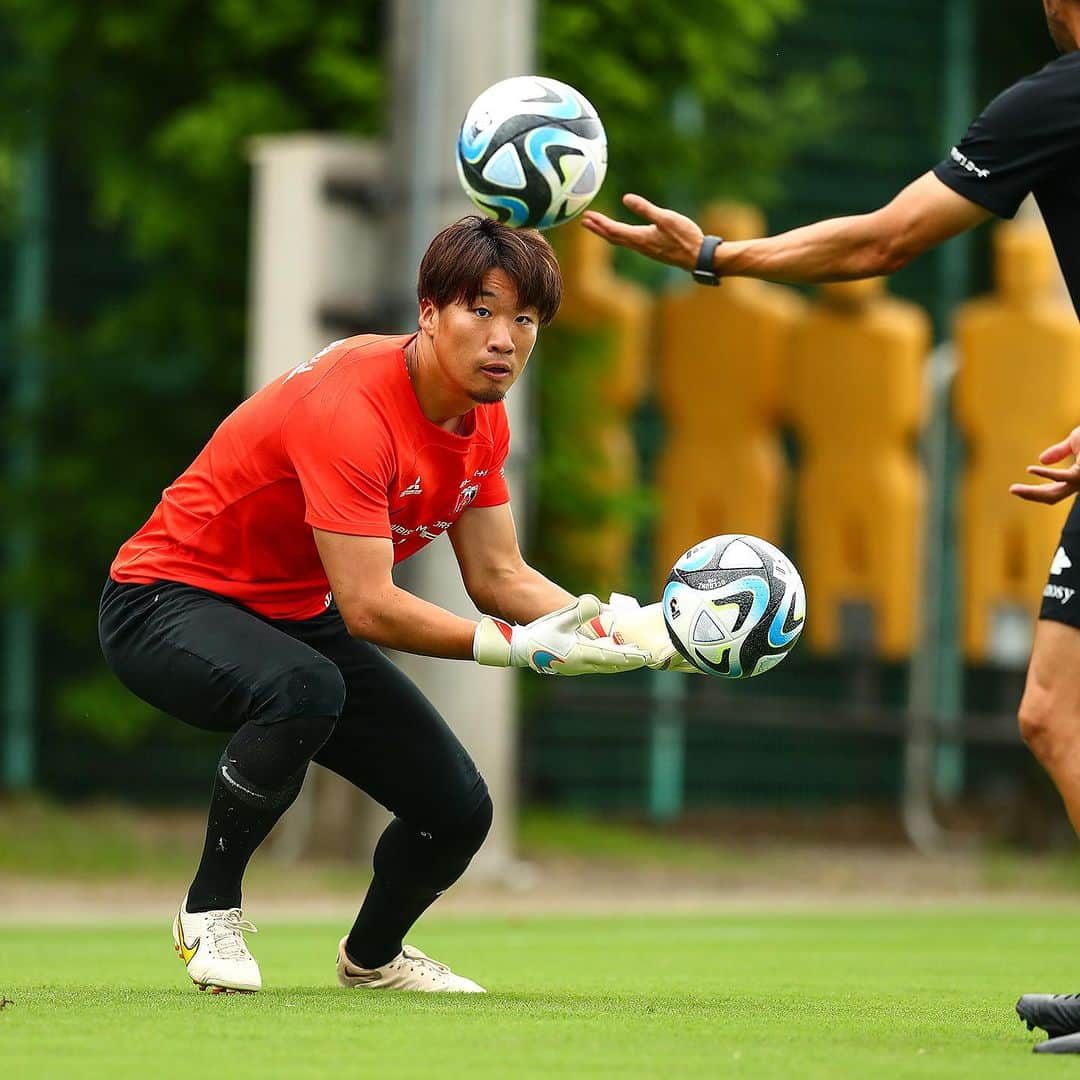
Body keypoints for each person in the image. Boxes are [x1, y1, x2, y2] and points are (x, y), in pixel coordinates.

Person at [583, 0, 1080, 1052]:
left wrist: (718, 255)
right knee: (1051, 714)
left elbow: (886, 238)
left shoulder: (1059, 96)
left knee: (1056, 715)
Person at [98, 215, 653, 996]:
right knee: (305, 687)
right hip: (165, 600)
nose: (505, 338)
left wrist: (636, 629)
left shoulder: (481, 418)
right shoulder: (351, 408)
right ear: (429, 313)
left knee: (456, 812)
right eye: (481, 310)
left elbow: (499, 574)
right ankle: (208, 910)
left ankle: (373, 959)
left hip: (291, 614)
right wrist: (517, 649)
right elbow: (368, 609)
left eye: (524, 318)